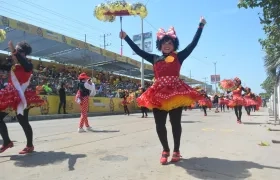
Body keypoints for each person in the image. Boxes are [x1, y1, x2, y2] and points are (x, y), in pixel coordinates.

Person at [120, 17, 206, 164]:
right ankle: (165, 150)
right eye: (164, 43)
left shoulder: (179, 57)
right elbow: (138, 51)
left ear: (174, 45)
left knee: (175, 123)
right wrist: (126, 37)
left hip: (175, 93)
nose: (167, 45)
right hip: (158, 93)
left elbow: (193, 44)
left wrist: (200, 26)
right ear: (159, 45)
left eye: (170, 42)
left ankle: (177, 151)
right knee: (159, 125)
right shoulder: (154, 58)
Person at [0, 41, 44, 154]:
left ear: (23, 53)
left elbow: (24, 62)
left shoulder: (28, 65)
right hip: (10, 95)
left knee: (23, 121)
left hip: (23, 96)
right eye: (14, 51)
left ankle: (30, 145)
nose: (14, 53)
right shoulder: (12, 65)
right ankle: (6, 142)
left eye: (17, 51)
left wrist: (14, 51)